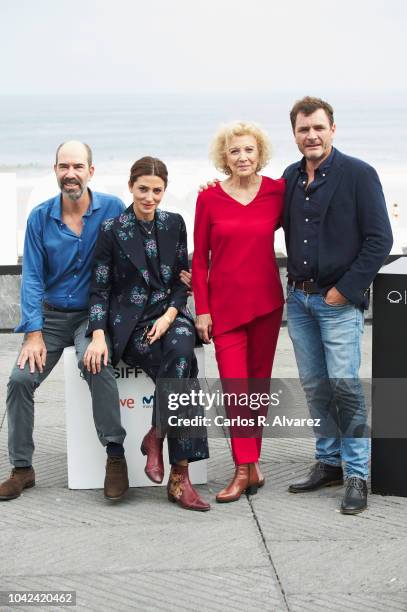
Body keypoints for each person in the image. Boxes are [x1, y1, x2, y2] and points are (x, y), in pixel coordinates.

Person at [0, 141, 129, 503]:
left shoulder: (113, 209)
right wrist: (33, 333)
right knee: (19, 380)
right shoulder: (40, 217)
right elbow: (32, 278)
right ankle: (22, 468)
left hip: (93, 315)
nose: (70, 173)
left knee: (97, 364)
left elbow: (135, 250)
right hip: (52, 316)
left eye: (77, 166)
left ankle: (115, 456)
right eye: (63, 166)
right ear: (55, 170)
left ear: (91, 170)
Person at [284, 97, 393, 514]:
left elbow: (379, 239)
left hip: (337, 302)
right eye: (302, 129)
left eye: (317, 127)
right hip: (298, 300)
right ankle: (328, 461)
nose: (311, 135)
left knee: (345, 387)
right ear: (294, 135)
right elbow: (258, 212)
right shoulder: (291, 177)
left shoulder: (359, 174)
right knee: (314, 386)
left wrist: (345, 291)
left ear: (332, 129)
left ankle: (357, 473)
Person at [84, 156, 210, 512]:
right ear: (130, 186)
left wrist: (171, 315)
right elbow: (100, 288)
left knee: (183, 356)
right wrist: (97, 332)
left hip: (169, 315)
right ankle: (179, 480)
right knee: (184, 379)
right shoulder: (112, 229)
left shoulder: (175, 224)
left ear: (164, 190)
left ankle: (155, 438)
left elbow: (181, 281)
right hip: (133, 325)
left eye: (157, 190)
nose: (149, 197)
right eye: (143, 189)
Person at [191, 122, 284, 503]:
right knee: (235, 390)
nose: (243, 157)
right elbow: (199, 259)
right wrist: (202, 310)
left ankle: (252, 464)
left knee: (257, 390)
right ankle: (243, 469)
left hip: (266, 305)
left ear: (259, 153)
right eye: (234, 151)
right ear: (223, 158)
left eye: (248, 150)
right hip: (225, 311)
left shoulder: (278, 192)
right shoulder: (209, 198)